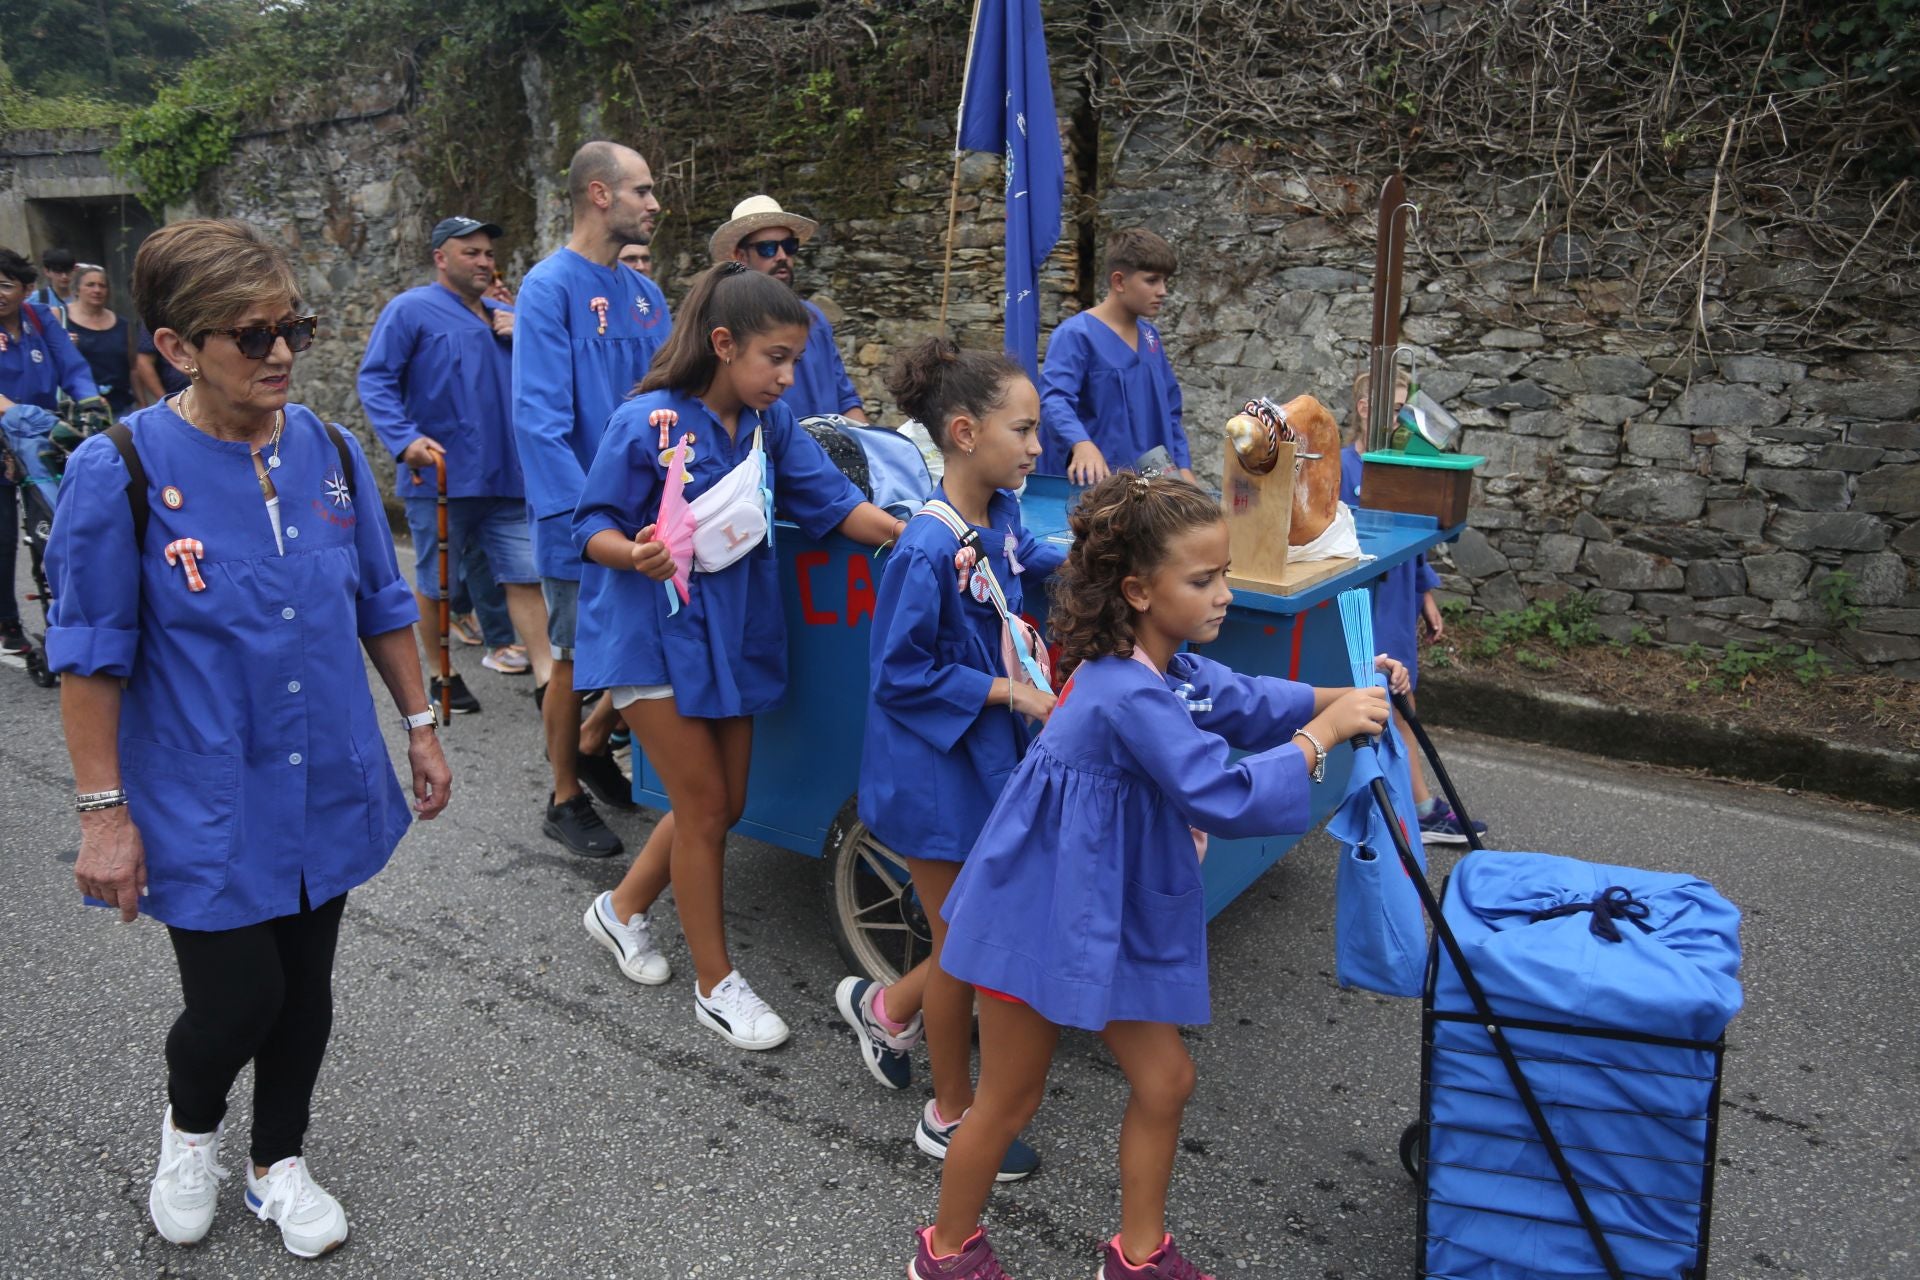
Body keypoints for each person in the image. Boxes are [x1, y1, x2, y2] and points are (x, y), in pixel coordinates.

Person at [42, 218, 451, 1258]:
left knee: (306, 990)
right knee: (239, 997)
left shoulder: (326, 450)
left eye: (293, 328)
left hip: (323, 775)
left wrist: (420, 725)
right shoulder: (120, 466)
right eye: (250, 333)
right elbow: (90, 657)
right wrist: (103, 818)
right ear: (178, 346)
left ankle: (280, 1161)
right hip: (202, 789)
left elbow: (378, 600)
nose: (280, 353)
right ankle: (190, 1130)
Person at [910, 474, 1404, 1280]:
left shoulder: (1162, 668)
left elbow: (1241, 700)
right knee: (1006, 1100)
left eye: (1225, 575)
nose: (1223, 595)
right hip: (1037, 911)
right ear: (1139, 590)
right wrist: (1326, 733)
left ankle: (1138, 1258)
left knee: (1166, 1080)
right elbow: (1222, 791)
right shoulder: (1124, 690)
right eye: (1203, 580)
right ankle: (947, 1254)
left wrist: (1350, 693)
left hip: (1103, 906)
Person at [574, 262, 906, 1050]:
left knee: (717, 805)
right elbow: (587, 530)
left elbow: (833, 504)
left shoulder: (769, 428)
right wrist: (636, 553)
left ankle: (619, 911)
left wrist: (917, 532)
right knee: (703, 812)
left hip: (734, 638)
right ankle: (717, 986)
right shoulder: (646, 422)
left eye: (796, 360)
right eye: (776, 359)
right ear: (723, 345)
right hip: (650, 637)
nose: (791, 378)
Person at [833, 337, 1059, 1179]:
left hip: (974, 762)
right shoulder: (926, 548)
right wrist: (1008, 693)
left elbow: (1029, 560)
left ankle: (886, 1007)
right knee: (964, 939)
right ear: (964, 432)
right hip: (931, 773)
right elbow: (897, 674)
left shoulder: (995, 518)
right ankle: (950, 1114)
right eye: (1025, 430)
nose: (1039, 447)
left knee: (969, 932)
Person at [513, 140, 674, 857]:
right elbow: (540, 422)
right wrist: (591, 524)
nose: (654, 203)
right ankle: (563, 794)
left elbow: (672, 399)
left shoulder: (646, 296)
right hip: (583, 520)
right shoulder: (548, 289)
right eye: (641, 190)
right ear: (600, 194)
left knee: (647, 649)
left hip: (649, 520)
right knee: (576, 659)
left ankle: (591, 746)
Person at [358, 215, 552, 716]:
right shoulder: (409, 311)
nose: (485, 261)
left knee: (526, 576)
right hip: (440, 475)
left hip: (509, 476)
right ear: (441, 258)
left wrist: (525, 333)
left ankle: (548, 681)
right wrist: (405, 441)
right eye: (472, 252)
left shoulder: (506, 314)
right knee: (436, 582)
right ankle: (443, 674)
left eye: (488, 253)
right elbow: (376, 381)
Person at [1340, 366, 1488, 845]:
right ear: (1367, 410)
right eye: (1400, 411)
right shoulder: (1343, 467)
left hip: (1400, 600)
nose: (1408, 425)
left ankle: (1406, 802)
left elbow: (1418, 536)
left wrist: (1427, 596)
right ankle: (1421, 809)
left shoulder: (1405, 467)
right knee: (1395, 703)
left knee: (1401, 698)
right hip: (1368, 600)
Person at [0, 246, 101, 657]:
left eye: (6, 286)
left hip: (42, 436)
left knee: (58, 520)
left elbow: (72, 367)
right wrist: (17, 413)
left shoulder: (41, 319)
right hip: (15, 431)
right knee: (4, 534)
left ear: (26, 289)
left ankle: (74, 612)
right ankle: (7, 624)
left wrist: (91, 400)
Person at [1039, 228, 1191, 484]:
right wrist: (1081, 442)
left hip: (1148, 484)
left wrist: (1183, 466)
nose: (1163, 291)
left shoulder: (1150, 338)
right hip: (1093, 488)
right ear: (1119, 281)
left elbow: (1171, 410)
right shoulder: (1076, 335)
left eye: (1165, 281)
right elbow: (1055, 400)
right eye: (1152, 280)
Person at [711, 194, 867, 422]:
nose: (782, 256)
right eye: (767, 248)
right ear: (741, 256)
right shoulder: (727, 327)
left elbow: (846, 401)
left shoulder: (814, 318)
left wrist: (869, 449)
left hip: (830, 453)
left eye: (789, 246)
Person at [64, 264, 141, 416]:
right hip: (80, 409)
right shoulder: (60, 317)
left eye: (102, 286)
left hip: (120, 406)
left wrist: (142, 402)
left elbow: (133, 367)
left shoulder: (122, 324)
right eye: (90, 285)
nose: (97, 290)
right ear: (77, 289)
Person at [26, 246, 75, 316]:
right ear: (47, 271)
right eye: (58, 271)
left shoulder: (82, 296)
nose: (64, 276)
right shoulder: (36, 299)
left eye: (68, 271)